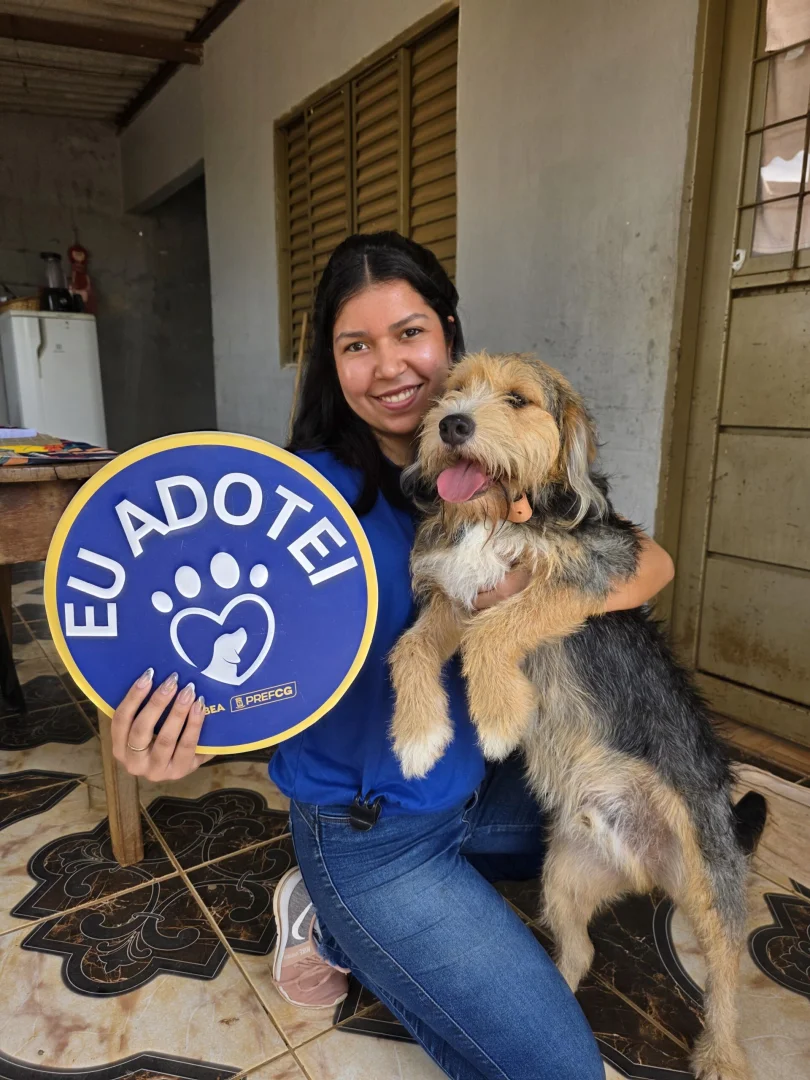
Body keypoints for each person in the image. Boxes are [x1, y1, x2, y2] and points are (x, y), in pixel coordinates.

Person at [111, 232, 674, 1080]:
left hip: (478, 784)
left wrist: (534, 591)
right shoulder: (296, 496)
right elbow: (219, 650)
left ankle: (362, 920)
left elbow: (650, 561)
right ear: (330, 365)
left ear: (448, 334)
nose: (389, 367)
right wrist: (187, 729)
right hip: (374, 835)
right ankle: (334, 908)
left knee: (653, 827)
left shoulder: (500, 454)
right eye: (356, 345)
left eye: (409, 333)